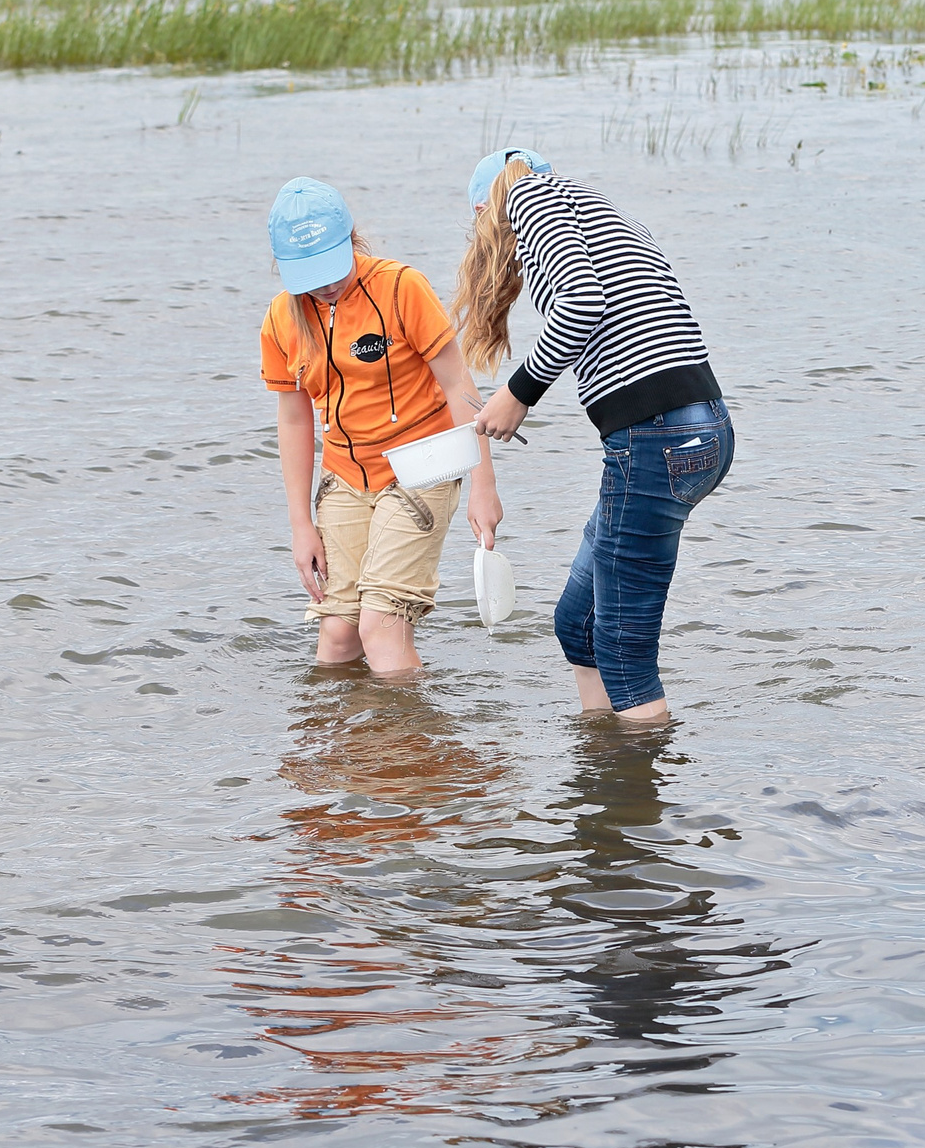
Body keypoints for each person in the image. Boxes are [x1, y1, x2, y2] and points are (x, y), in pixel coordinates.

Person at [458, 148, 733, 724]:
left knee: (625, 654)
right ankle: (602, 768)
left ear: (487, 212)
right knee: (580, 624)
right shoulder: (597, 209)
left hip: (657, 437)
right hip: (701, 430)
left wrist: (518, 394)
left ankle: (633, 805)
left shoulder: (526, 201)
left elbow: (584, 303)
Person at [260, 177, 489, 675]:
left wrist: (483, 487)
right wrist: (301, 525)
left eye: (331, 265)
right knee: (338, 636)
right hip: (344, 477)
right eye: (309, 274)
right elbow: (294, 419)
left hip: (422, 465)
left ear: (352, 237)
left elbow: (460, 387)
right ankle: (347, 750)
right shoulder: (281, 318)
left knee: (380, 625)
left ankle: (409, 749)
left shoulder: (401, 286)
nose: (325, 284)